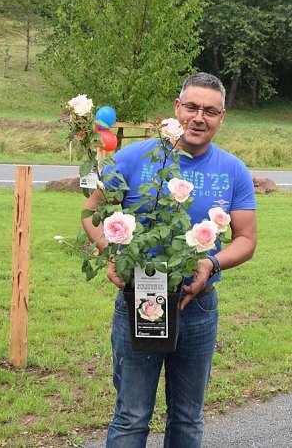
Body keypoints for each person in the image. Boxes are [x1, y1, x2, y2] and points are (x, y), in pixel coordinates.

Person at [82, 72, 258, 448]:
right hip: (137, 300)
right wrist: (110, 252)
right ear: (176, 109)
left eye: (210, 111)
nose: (199, 117)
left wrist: (212, 263)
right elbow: (91, 212)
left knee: (187, 417)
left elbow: (246, 239)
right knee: (131, 416)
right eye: (191, 107)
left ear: (222, 116)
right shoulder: (132, 158)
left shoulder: (233, 170)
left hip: (198, 305)